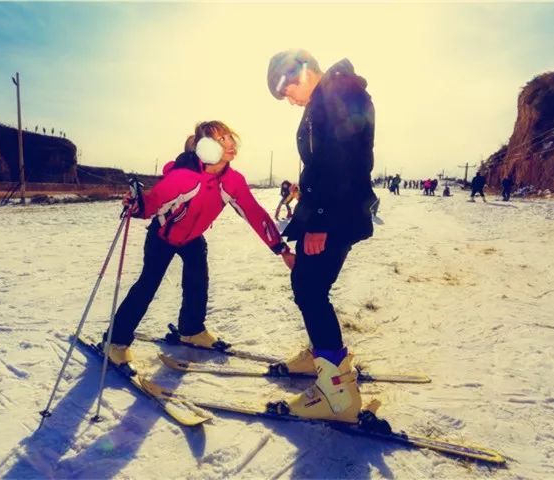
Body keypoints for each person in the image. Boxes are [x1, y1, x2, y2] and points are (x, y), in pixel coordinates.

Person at [103, 121, 295, 368]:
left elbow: (254, 214)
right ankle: (115, 341)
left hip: (193, 239)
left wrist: (281, 248)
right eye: (221, 139)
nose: (230, 143)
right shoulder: (185, 177)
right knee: (147, 285)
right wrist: (137, 205)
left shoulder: (233, 181)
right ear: (205, 147)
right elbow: (153, 203)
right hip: (163, 236)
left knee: (197, 282)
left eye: (229, 137)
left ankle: (191, 330)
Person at [266, 49, 377, 422]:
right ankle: (322, 356)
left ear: (299, 73)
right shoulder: (328, 98)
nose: (288, 101)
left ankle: (338, 394)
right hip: (329, 210)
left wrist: (321, 221)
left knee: (310, 290)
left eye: (286, 92)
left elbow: (342, 161)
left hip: (334, 215)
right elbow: (325, 163)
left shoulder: (338, 95)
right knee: (308, 285)